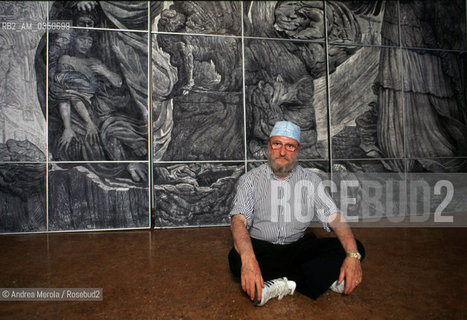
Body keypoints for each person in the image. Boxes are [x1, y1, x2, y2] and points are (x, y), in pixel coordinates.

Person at [228, 120, 365, 306]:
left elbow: (334, 216)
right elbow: (238, 221)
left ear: (297, 150)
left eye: (289, 146)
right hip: (263, 249)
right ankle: (318, 278)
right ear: (269, 147)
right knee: (236, 259)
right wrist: (249, 259)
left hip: (297, 248)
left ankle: (279, 284)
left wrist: (352, 257)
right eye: (277, 144)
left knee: (355, 247)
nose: (282, 152)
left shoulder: (311, 180)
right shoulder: (250, 180)